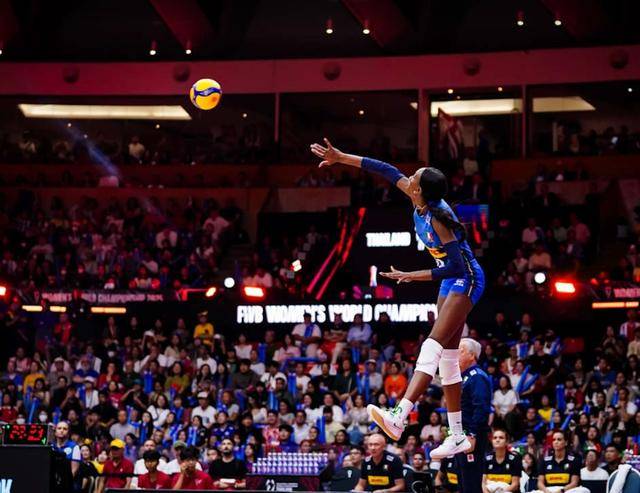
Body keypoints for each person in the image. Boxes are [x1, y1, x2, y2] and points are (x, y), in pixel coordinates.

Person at [311, 139, 485, 458]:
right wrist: (341, 157)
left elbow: (457, 267)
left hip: (466, 277)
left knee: (432, 345)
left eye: (414, 177)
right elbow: (386, 170)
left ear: (419, 190)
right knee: (446, 358)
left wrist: (411, 275)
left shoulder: (439, 218)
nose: (409, 177)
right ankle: (458, 435)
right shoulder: (417, 196)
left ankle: (400, 414)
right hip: (450, 278)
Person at [456, 338, 492, 493]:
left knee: (471, 483)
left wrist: (472, 434)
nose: (456, 354)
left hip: (471, 436)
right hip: (461, 434)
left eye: (461, 351)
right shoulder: (463, 376)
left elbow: (481, 408)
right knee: (462, 482)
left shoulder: (477, 376)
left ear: (472, 356)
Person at [482, 429, 521, 493]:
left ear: (506, 442)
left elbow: (515, 485)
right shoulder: (487, 459)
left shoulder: (514, 459)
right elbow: (483, 483)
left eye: (501, 437)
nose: (497, 440)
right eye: (495, 438)